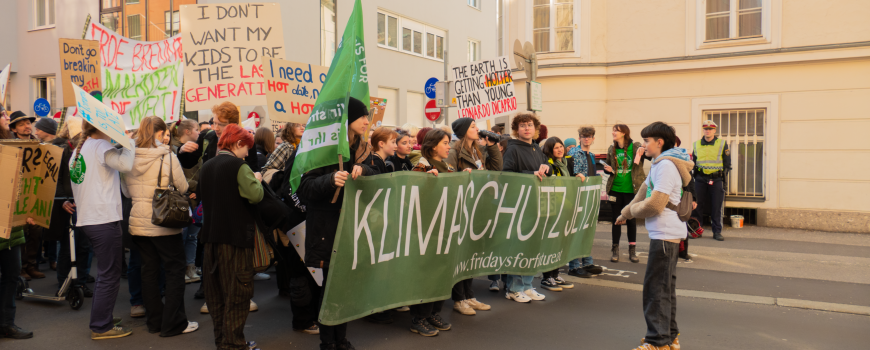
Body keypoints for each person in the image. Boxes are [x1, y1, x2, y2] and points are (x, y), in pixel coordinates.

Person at [298, 97, 377, 350]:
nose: (367, 121)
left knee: (344, 287)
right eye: (362, 116)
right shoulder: (325, 150)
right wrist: (331, 179)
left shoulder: (364, 150)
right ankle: (327, 342)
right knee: (331, 288)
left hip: (353, 228)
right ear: (347, 120)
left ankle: (340, 339)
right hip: (327, 230)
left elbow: (382, 176)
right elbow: (304, 189)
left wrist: (365, 172)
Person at [616, 122, 693, 350]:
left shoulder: (666, 166)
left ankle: (657, 341)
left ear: (659, 142)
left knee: (656, 290)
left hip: (665, 234)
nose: (643, 145)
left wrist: (630, 212)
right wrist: (625, 213)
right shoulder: (661, 163)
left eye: (647, 141)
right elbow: (643, 191)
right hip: (665, 233)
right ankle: (669, 337)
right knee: (664, 288)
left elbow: (655, 204)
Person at [121, 116, 198, 337]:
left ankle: (155, 321)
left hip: (138, 221)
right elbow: (182, 187)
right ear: (158, 133)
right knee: (174, 270)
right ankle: (174, 323)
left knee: (148, 271)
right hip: (163, 221)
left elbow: (126, 192)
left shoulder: (128, 157)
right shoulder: (167, 155)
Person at [177, 102, 261, 302]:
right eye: (214, 122)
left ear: (233, 123)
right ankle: (209, 290)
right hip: (211, 201)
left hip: (235, 202)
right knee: (210, 245)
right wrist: (182, 150)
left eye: (220, 124)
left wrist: (255, 176)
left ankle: (240, 293)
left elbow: (252, 168)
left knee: (236, 246)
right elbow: (190, 162)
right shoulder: (207, 137)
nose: (215, 127)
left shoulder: (244, 139)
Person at [68, 121, 136, 339]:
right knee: (109, 274)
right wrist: (129, 142)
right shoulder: (100, 146)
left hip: (91, 218)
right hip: (103, 218)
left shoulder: (83, 148)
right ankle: (101, 325)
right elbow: (125, 164)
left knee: (106, 273)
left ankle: (102, 317)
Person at [198, 123, 263, 349]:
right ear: (237, 144)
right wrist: (258, 180)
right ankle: (234, 345)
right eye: (247, 148)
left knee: (217, 297)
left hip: (210, 239)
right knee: (237, 295)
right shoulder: (238, 166)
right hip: (234, 240)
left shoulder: (207, 166)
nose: (248, 153)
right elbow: (255, 195)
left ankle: (223, 342)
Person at [444, 118, 501, 315]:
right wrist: (462, 176)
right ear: (463, 131)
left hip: (477, 205)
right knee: (460, 254)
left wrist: (492, 146)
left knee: (471, 253)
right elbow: (448, 176)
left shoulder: (478, 150)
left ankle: (469, 296)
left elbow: (496, 168)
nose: (477, 129)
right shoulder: (454, 151)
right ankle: (459, 299)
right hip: (462, 206)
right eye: (473, 127)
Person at [405, 128, 453, 337]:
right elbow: (412, 197)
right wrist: (426, 181)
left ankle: (434, 312)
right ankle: (419, 317)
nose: (448, 146)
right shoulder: (422, 165)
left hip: (445, 227)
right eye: (445, 143)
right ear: (433, 146)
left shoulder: (448, 167)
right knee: (427, 273)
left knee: (442, 271)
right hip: (427, 229)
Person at [500, 112, 550, 303]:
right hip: (520, 203)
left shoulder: (537, 149)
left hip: (535, 203)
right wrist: (532, 173)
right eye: (522, 125)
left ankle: (527, 285)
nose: (526, 128)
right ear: (516, 130)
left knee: (532, 247)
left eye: (529, 125)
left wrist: (547, 168)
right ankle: (514, 288)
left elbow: (546, 167)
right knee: (519, 246)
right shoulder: (512, 149)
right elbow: (507, 174)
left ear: (535, 129)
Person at [539, 136, 579, 292]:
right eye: (556, 148)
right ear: (550, 150)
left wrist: (578, 177)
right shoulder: (547, 165)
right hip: (552, 208)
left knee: (560, 243)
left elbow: (571, 179)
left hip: (566, 207)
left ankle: (555, 274)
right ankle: (546, 277)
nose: (560, 149)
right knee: (550, 243)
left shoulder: (567, 162)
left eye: (561, 146)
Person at [566, 126, 605, 278]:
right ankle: (574, 266)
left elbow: (590, 173)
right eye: (584, 136)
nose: (586, 138)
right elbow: (573, 173)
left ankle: (587, 262)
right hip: (576, 196)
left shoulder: (591, 155)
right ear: (579, 138)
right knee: (576, 231)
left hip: (588, 196)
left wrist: (596, 177)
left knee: (586, 230)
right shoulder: (574, 152)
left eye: (589, 136)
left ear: (593, 138)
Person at [605, 124, 647, 263]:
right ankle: (615, 250)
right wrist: (607, 169)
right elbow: (608, 168)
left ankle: (632, 250)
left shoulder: (634, 147)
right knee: (616, 220)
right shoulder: (611, 149)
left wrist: (643, 150)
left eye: (616, 131)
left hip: (632, 190)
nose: (613, 133)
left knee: (631, 219)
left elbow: (648, 156)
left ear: (624, 133)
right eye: (613, 130)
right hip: (615, 189)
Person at [169, 119, 203, 284]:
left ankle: (190, 266)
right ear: (187, 131)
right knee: (181, 237)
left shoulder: (198, 149)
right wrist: (194, 188)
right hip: (180, 200)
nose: (199, 132)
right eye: (196, 129)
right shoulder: (172, 150)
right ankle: (180, 268)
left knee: (192, 236)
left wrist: (199, 190)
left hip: (195, 200)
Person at [691, 120, 730, 241]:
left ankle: (717, 231)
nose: (707, 131)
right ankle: (696, 230)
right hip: (700, 178)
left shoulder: (722, 144)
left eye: (710, 129)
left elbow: (727, 163)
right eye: (705, 129)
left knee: (716, 206)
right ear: (703, 130)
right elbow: (693, 161)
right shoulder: (696, 144)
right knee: (697, 205)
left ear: (714, 130)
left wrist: (724, 177)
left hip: (716, 178)